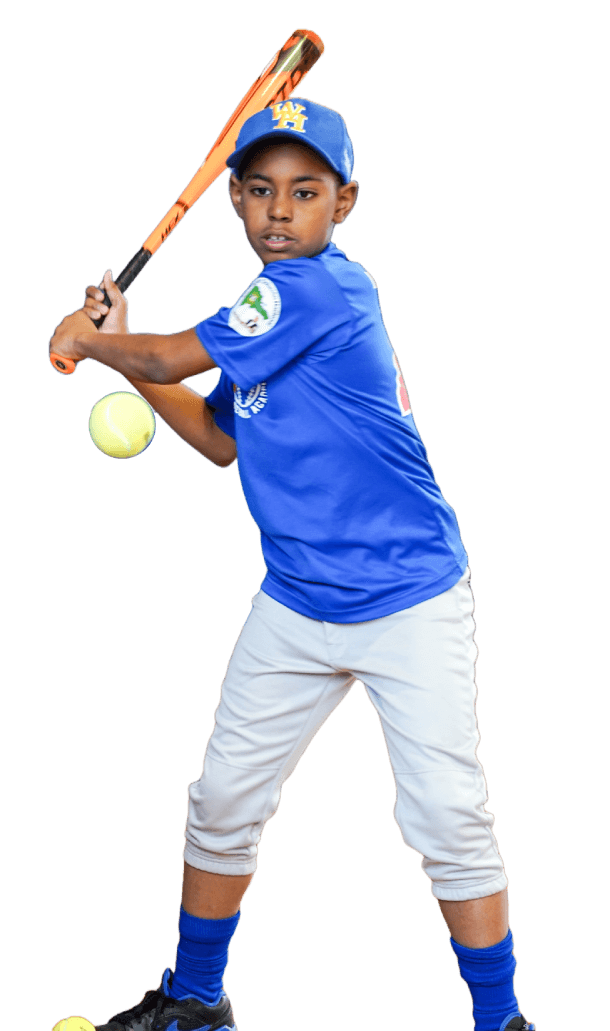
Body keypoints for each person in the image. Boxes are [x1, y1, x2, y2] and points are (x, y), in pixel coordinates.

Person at [49, 98, 536, 1031]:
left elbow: (172, 353)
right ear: (233, 198)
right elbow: (218, 435)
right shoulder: (260, 316)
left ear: (341, 204)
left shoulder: (316, 290)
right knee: (222, 798)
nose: (280, 211)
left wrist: (95, 338)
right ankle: (195, 1004)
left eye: (304, 192)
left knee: (445, 817)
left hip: (409, 599)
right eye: (262, 190)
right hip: (298, 602)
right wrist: (121, 353)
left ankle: (501, 1021)